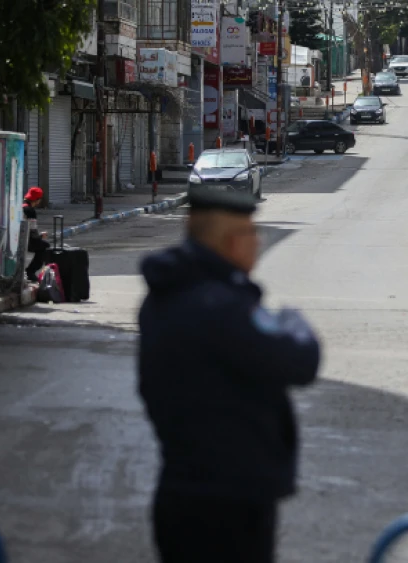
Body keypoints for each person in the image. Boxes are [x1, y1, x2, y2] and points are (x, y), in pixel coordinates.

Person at [138, 188, 322, 563]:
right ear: (233, 242)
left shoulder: (170, 293)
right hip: (226, 503)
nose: (258, 244)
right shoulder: (218, 305)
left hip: (186, 488)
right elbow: (300, 359)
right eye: (255, 235)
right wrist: (291, 318)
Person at [22, 187, 49, 282]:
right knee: (45, 246)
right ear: (37, 200)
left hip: (17, 237)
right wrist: (41, 236)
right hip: (25, 240)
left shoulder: (21, 206)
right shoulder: (30, 210)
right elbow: (33, 232)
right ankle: (30, 271)